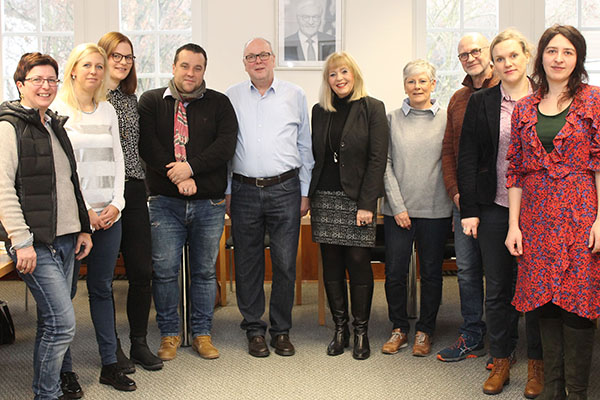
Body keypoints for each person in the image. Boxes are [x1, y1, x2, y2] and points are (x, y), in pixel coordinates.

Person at [506, 25, 600, 399]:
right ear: (541, 55)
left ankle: (576, 392)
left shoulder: (593, 100)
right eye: (552, 51)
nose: (559, 58)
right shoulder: (525, 107)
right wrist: (513, 225)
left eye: (568, 52)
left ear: (577, 59)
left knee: (578, 302)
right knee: (542, 299)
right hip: (536, 217)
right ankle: (552, 389)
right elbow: (515, 169)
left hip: (580, 214)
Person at [0, 52, 92, 400]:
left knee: (51, 321)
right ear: (20, 84)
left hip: (67, 238)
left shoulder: (53, 123)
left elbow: (70, 181)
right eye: (37, 79)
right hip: (36, 243)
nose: (45, 85)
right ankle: (47, 394)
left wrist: (83, 227)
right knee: (63, 323)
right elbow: (3, 188)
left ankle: (47, 390)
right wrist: (21, 242)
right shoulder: (9, 126)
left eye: (51, 79)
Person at [138, 43, 238, 361]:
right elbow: (149, 146)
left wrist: (191, 168)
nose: (190, 73)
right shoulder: (152, 101)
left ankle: (202, 334)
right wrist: (178, 176)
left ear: (204, 70)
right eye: (185, 66)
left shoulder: (220, 103)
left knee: (205, 272)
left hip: (208, 203)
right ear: (174, 66)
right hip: (164, 202)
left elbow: (225, 145)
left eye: (197, 68)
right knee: (166, 270)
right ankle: (169, 334)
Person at [458, 29, 542, 397]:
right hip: (494, 207)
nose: (507, 63)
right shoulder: (482, 101)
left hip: (540, 211)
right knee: (497, 289)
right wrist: (470, 210)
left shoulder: (547, 99)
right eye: (500, 58)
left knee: (536, 289)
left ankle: (537, 365)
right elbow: (468, 156)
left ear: (527, 57)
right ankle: (502, 360)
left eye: (513, 56)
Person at [53, 43, 136, 392]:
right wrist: (86, 211)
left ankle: (109, 364)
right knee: (65, 292)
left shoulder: (107, 111)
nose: (93, 71)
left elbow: (118, 159)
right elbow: (64, 170)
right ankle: (64, 370)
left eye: (99, 66)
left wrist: (117, 203)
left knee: (102, 288)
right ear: (73, 69)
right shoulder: (57, 111)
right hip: (75, 217)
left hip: (109, 215)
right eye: (86, 65)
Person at [226, 37, 314, 358]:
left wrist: (305, 192)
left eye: (263, 55)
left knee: (285, 263)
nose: (258, 60)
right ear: (245, 62)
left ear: (273, 58)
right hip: (244, 189)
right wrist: (228, 191)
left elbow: (305, 147)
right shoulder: (231, 96)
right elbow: (226, 149)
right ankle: (253, 328)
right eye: (251, 56)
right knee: (247, 262)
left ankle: (281, 330)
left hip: (286, 189)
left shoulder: (295, 95)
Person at [309, 52, 388, 360]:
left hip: (357, 200)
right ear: (327, 80)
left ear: (354, 74)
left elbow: (377, 159)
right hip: (324, 197)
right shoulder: (319, 111)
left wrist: (368, 203)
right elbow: (315, 156)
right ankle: (339, 329)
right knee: (330, 265)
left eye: (344, 72)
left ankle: (360, 331)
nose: (339, 78)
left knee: (357, 263)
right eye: (332, 74)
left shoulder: (372, 108)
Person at [98, 31, 163, 372]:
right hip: (103, 195)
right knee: (103, 277)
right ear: (103, 57)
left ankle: (139, 341)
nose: (123, 62)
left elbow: (143, 150)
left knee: (141, 271)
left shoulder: (129, 99)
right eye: (116, 56)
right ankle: (112, 348)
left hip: (135, 190)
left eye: (128, 57)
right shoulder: (92, 100)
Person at [382, 59, 452, 358]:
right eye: (411, 82)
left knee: (433, 274)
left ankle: (425, 330)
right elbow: (384, 165)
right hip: (398, 210)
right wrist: (397, 206)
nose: (417, 87)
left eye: (423, 81)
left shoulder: (447, 119)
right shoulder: (391, 119)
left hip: (436, 210)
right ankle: (399, 328)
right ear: (404, 85)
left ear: (433, 84)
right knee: (395, 273)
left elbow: (450, 163)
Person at [438, 32, 498, 363]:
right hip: (464, 203)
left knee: (502, 272)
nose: (470, 57)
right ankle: (472, 333)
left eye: (476, 51)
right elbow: (449, 150)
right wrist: (456, 193)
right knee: (468, 270)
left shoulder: (508, 91)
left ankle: (504, 342)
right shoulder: (458, 100)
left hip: (501, 203)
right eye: (463, 54)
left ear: (489, 53)